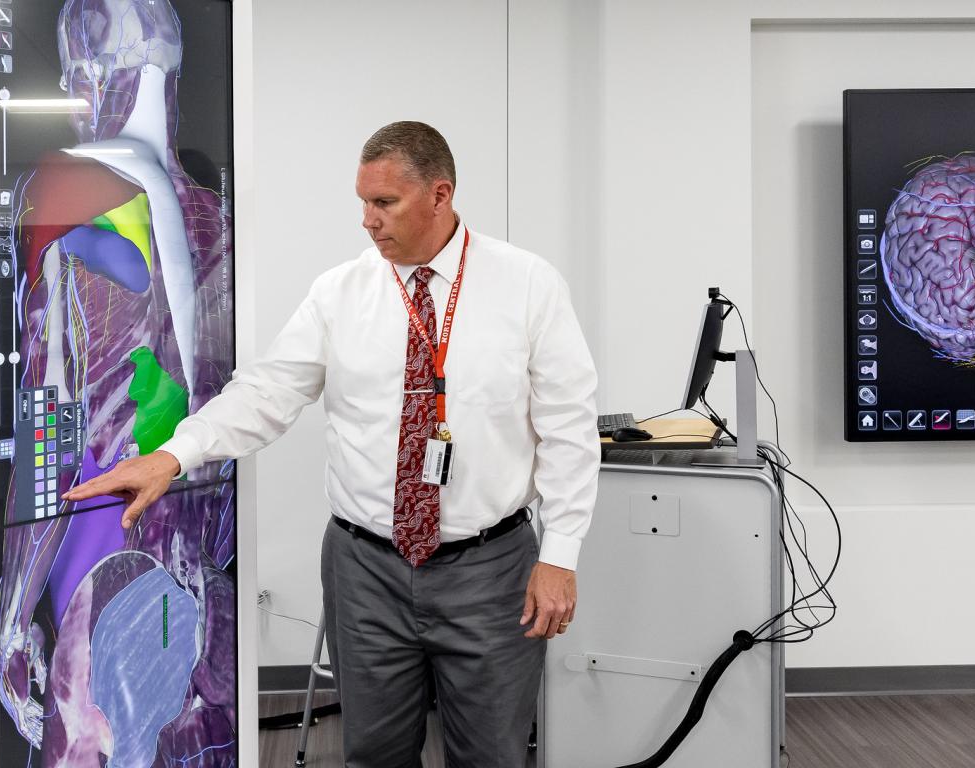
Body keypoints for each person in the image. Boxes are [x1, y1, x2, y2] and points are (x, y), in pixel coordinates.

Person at [64, 121, 600, 767]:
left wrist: (561, 554)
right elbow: (268, 391)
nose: (369, 222)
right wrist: (176, 453)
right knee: (372, 751)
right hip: (365, 568)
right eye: (363, 204)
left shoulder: (527, 286)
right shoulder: (340, 292)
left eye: (385, 203)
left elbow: (569, 427)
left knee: (491, 752)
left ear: (440, 194)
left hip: (489, 570)